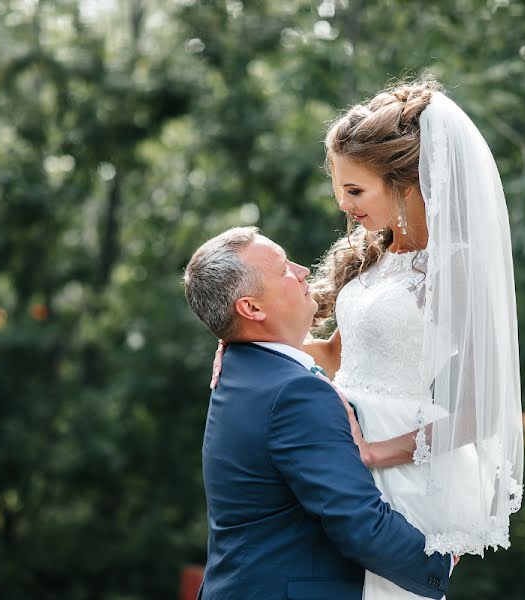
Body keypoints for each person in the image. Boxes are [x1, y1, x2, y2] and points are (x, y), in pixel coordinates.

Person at [212, 77, 524, 599]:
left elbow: (483, 406)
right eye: (339, 191)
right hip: (339, 440)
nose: (345, 206)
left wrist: (376, 452)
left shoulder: (456, 266)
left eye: (355, 191)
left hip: (401, 457)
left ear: (405, 183)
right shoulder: (372, 254)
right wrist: (244, 346)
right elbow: (336, 354)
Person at [183, 227, 455, 600]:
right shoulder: (295, 392)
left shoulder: (240, 366)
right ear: (251, 308)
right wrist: (442, 562)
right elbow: (357, 521)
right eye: (283, 270)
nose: (302, 271)